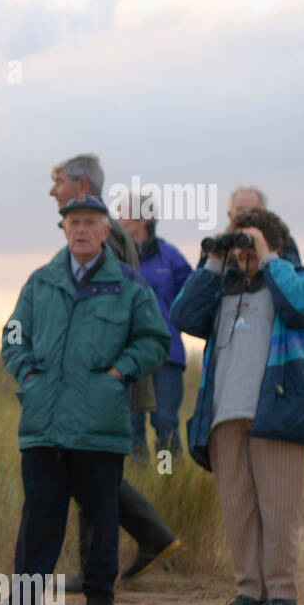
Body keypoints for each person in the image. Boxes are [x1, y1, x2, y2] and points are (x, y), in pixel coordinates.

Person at [0, 194, 170, 605]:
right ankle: (25, 600)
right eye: (73, 222)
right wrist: (29, 376)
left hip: (100, 418)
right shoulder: (40, 281)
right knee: (40, 512)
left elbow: (154, 340)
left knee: (101, 513)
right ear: (64, 228)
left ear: (106, 230)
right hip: (44, 419)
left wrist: (120, 374)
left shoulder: (129, 284)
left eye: (90, 222)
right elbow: (13, 335)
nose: (81, 229)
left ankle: (99, 596)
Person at [170, 208, 304, 605]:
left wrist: (269, 257)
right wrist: (215, 261)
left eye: (248, 243)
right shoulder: (224, 289)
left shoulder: (302, 277)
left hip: (279, 409)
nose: (243, 252)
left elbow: (302, 306)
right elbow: (182, 315)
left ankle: (282, 594)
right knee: (238, 508)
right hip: (224, 413)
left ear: (272, 242)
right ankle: (249, 591)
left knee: (279, 509)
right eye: (238, 244)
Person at [50, 154, 181, 587]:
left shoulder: (110, 232)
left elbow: (122, 305)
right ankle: (141, 542)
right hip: (93, 375)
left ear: (82, 183)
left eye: (58, 182)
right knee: (92, 469)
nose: (53, 191)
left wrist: (114, 371)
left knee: (95, 470)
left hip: (106, 376)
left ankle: (104, 566)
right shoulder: (103, 229)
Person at [117, 190, 192, 457]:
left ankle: (168, 478)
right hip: (128, 354)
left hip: (166, 353)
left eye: (124, 214)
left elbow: (192, 297)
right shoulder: (114, 257)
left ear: (143, 219)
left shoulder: (170, 256)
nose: (119, 220)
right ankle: (140, 486)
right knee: (131, 426)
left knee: (164, 421)